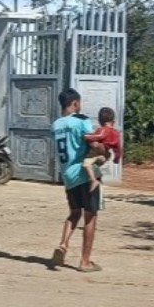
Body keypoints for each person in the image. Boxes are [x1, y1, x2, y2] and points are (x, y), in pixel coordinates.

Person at [50, 88, 102, 273]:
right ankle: (85, 261)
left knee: (74, 213)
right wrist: (104, 149)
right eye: (79, 103)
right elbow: (93, 143)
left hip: (68, 176)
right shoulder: (81, 121)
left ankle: (63, 244)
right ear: (74, 104)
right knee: (90, 216)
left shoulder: (56, 125)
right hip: (85, 175)